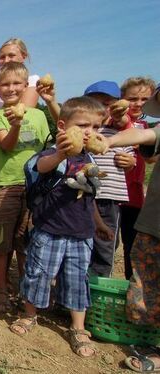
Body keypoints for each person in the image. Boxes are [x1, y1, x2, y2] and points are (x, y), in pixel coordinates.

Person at [10, 97, 108, 358]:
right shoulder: (53, 154)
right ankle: (30, 314)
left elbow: (90, 196)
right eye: (83, 124)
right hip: (49, 230)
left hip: (81, 232)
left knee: (77, 278)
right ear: (63, 126)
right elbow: (40, 167)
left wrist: (99, 224)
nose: (90, 132)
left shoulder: (91, 161)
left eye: (97, 127)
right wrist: (63, 152)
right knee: (38, 273)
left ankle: (77, 327)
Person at [0, 62, 50, 312]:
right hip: (4, 183)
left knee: (26, 239)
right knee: (0, 240)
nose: (10, 88)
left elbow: (45, 149)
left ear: (25, 86)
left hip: (33, 185)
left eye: (16, 84)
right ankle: (1, 286)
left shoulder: (39, 115)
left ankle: (26, 288)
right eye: (5, 84)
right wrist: (16, 124)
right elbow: (8, 145)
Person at [106, 89, 160, 370]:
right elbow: (141, 136)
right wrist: (111, 141)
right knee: (144, 275)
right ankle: (151, 338)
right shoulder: (155, 130)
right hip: (153, 220)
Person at [82, 81, 136, 277]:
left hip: (108, 197)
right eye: (95, 104)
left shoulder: (123, 134)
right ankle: (79, 285)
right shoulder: (84, 132)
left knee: (105, 242)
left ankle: (99, 285)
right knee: (81, 241)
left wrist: (130, 162)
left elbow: (132, 159)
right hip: (83, 195)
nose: (102, 109)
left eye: (107, 104)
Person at [119, 77, 157, 280]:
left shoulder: (146, 126)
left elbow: (150, 159)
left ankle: (129, 287)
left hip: (133, 195)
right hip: (112, 195)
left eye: (145, 98)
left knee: (132, 244)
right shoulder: (114, 120)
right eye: (132, 98)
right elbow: (122, 122)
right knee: (106, 243)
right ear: (122, 99)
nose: (139, 103)